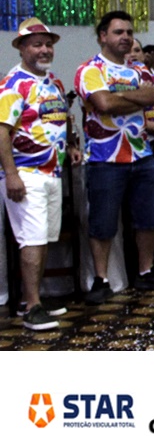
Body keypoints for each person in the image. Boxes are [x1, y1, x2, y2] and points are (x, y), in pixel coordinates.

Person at [75, 11, 154, 303]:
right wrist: (135, 97)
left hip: (142, 155)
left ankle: (145, 272)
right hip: (105, 158)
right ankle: (101, 280)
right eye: (118, 32)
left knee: (148, 219)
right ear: (102, 36)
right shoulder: (90, 69)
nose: (126, 37)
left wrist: (121, 96)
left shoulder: (139, 71)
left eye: (129, 32)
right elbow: (103, 104)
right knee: (103, 223)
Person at [0, 19, 81, 329]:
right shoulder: (13, 84)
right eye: (37, 44)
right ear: (22, 48)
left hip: (52, 172)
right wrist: (11, 174)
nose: (44, 49)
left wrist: (71, 145)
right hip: (26, 173)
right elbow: (2, 132)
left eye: (48, 44)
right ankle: (33, 307)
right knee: (31, 240)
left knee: (43, 238)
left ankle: (31, 300)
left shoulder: (54, 83)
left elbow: (62, 119)